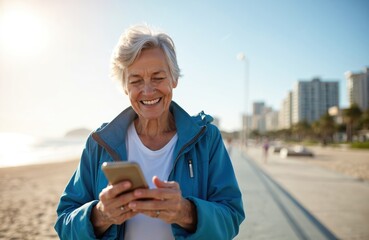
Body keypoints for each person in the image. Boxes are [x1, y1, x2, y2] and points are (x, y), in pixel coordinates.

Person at [54, 24, 245, 239]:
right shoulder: (99, 143)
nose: (147, 90)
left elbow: (232, 217)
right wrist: (100, 216)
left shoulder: (207, 138)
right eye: (136, 81)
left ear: (174, 79)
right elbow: (64, 223)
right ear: (125, 87)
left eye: (158, 78)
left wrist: (186, 212)